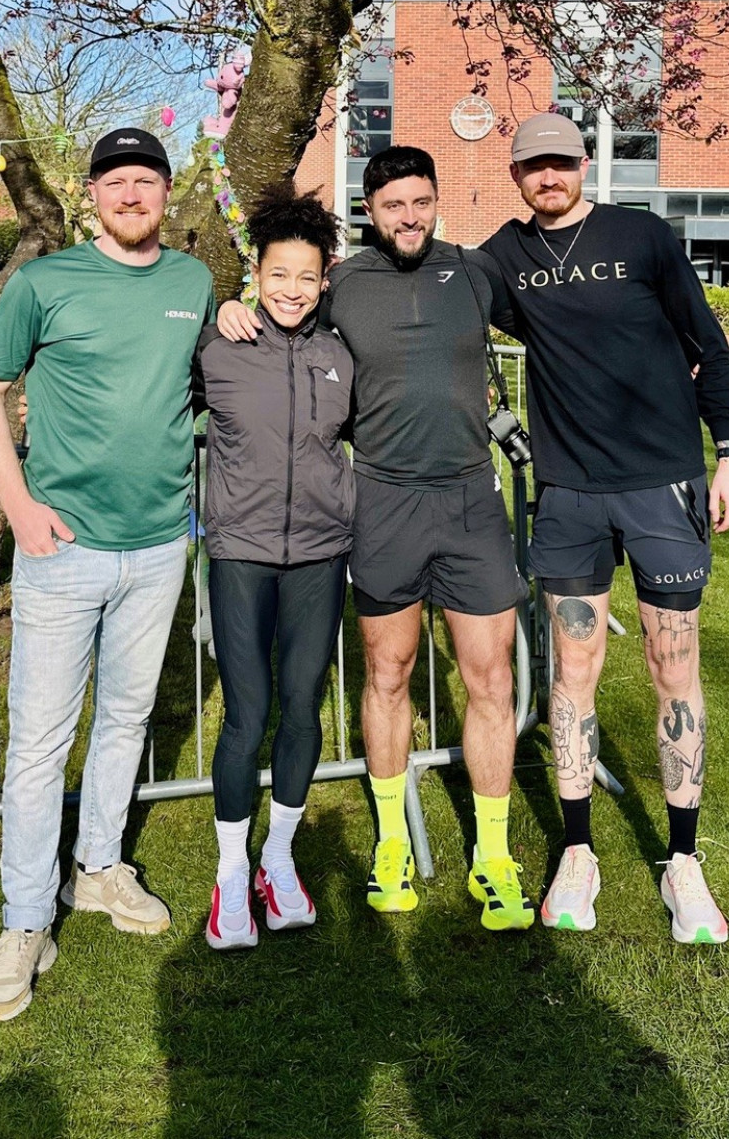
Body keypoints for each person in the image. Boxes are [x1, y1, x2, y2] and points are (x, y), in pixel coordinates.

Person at [219, 147, 534, 932]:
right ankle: (392, 839)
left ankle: (493, 855)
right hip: (384, 500)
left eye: (421, 201)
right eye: (393, 205)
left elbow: (563, 330)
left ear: (436, 201)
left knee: (490, 678)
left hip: (470, 501)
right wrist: (230, 306)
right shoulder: (345, 281)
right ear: (371, 210)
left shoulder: (474, 271)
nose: (409, 216)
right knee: (388, 674)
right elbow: (281, 307)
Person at [479, 112, 729, 944]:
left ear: (583, 164)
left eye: (561, 162)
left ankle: (684, 862)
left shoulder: (641, 236)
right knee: (575, 671)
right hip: (569, 496)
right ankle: (577, 850)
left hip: (662, 486)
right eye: (534, 167)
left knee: (675, 667)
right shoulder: (502, 260)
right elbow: (434, 306)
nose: (549, 177)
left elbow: (710, 343)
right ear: (517, 174)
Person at [0, 128, 214, 1019]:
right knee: (39, 741)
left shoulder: (194, 282)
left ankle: (100, 867)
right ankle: (26, 919)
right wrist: (19, 505)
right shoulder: (45, 281)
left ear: (166, 190)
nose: (132, 193)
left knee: (126, 717)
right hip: (62, 548)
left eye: (147, 179)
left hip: (158, 545)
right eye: (116, 181)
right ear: (91, 194)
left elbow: (206, 377)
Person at [197, 188, 354, 950]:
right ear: (254, 273)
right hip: (240, 555)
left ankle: (277, 858)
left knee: (303, 706)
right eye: (277, 274)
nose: (291, 290)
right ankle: (230, 874)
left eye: (306, 277)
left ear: (325, 280)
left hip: (321, 554)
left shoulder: (339, 354)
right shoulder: (217, 345)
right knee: (246, 713)